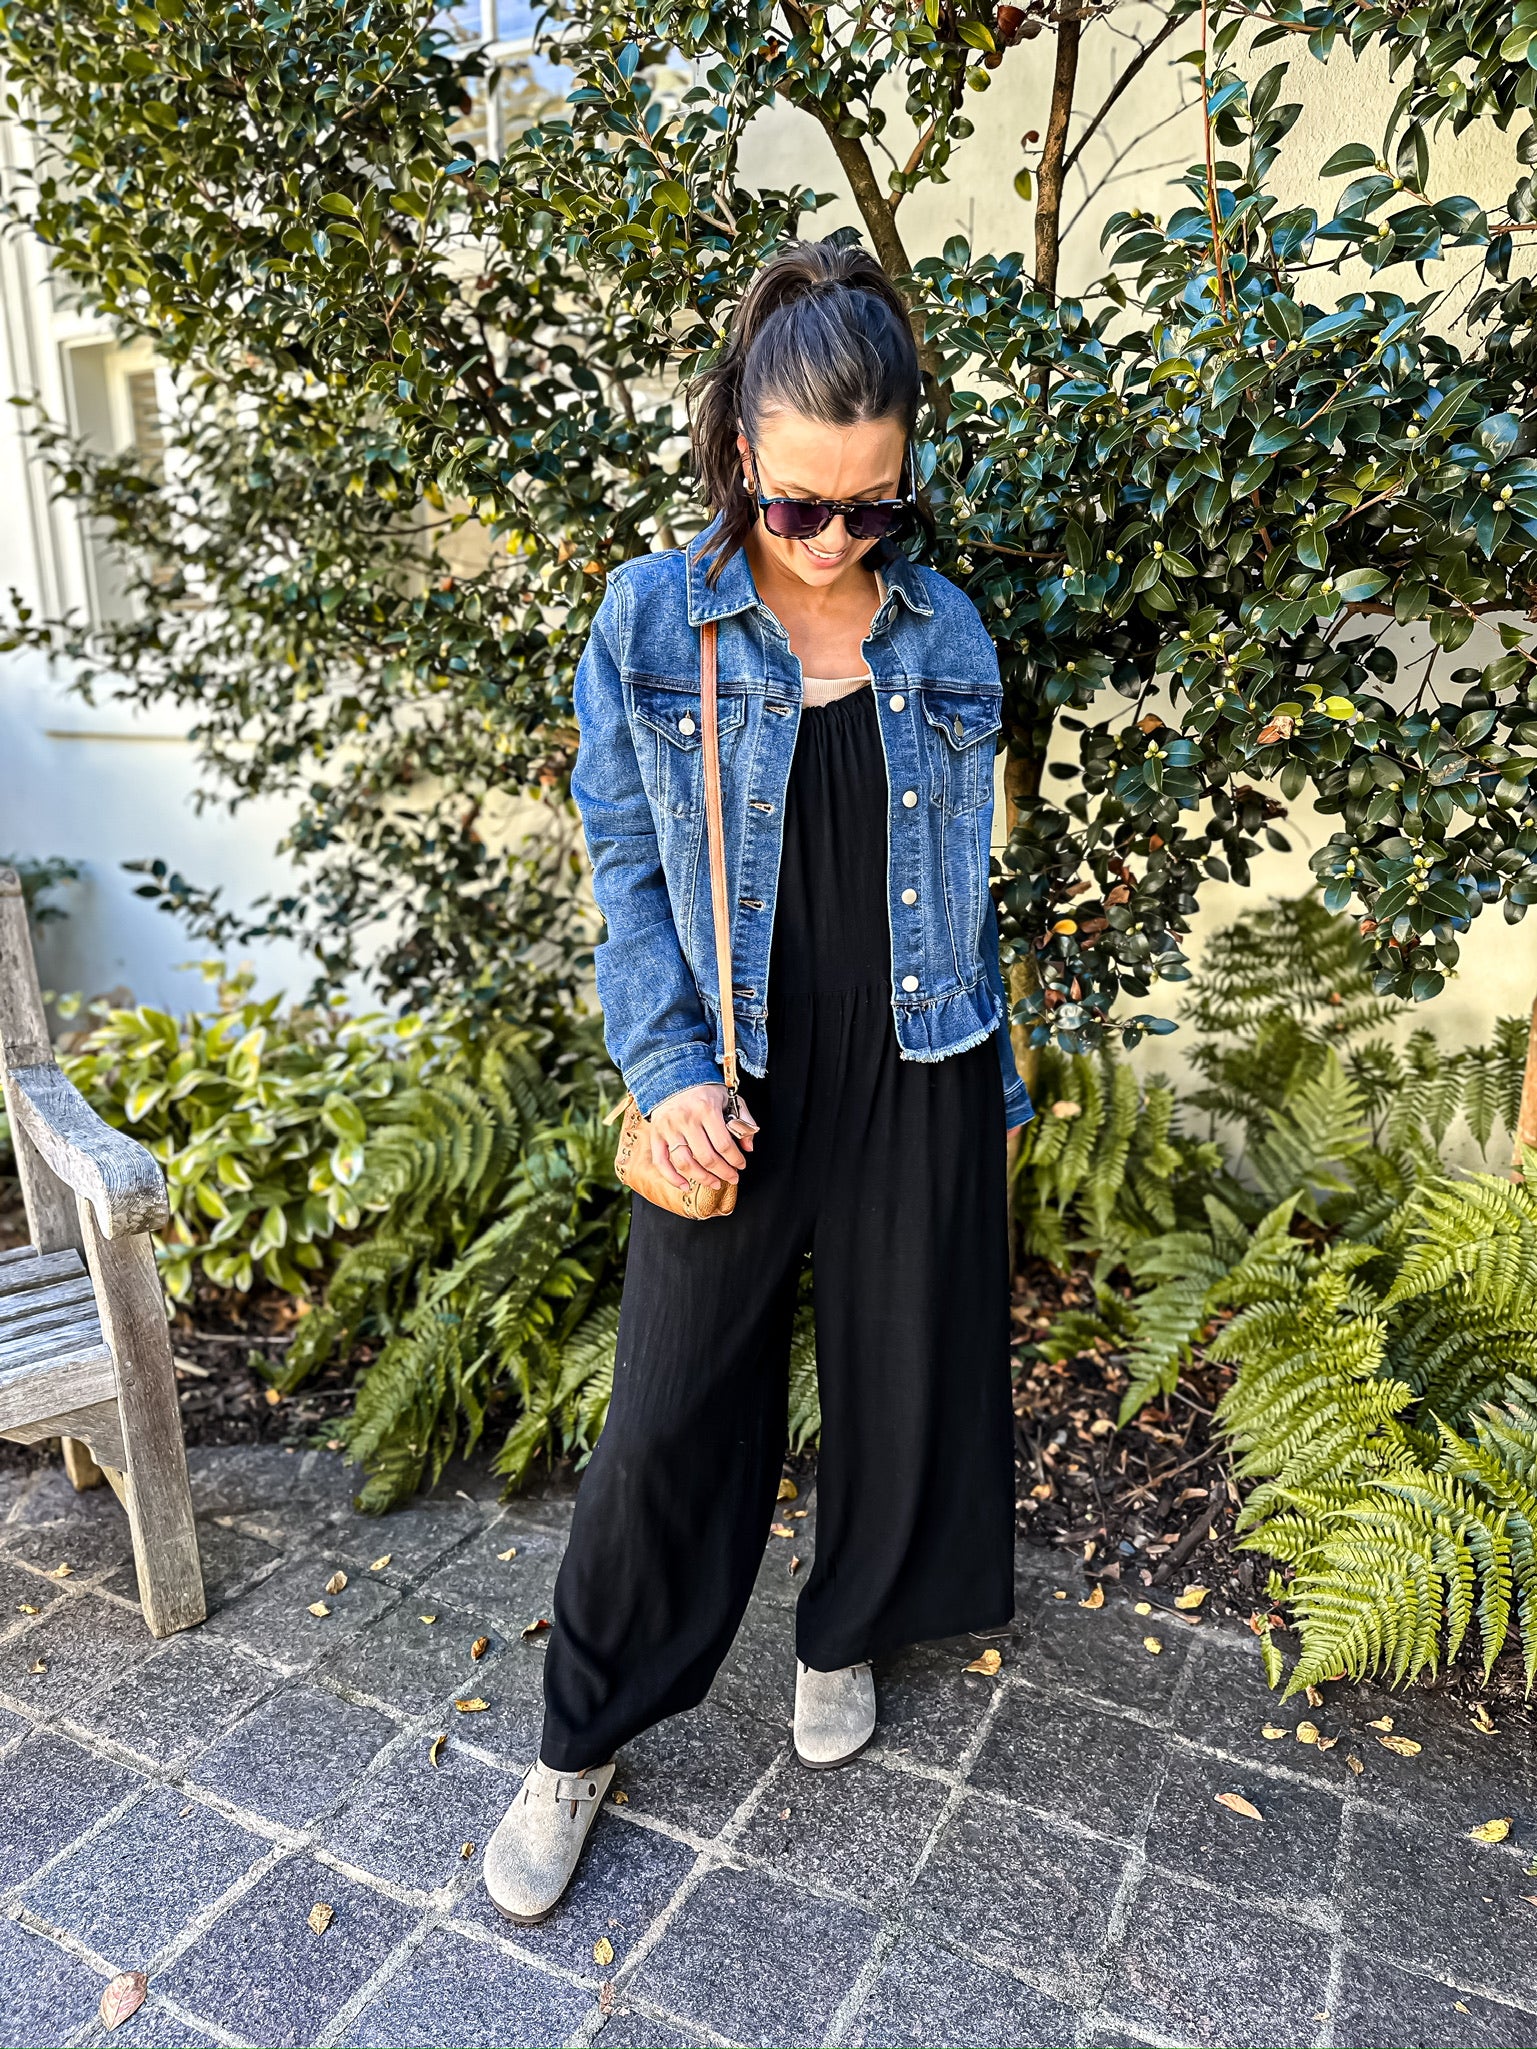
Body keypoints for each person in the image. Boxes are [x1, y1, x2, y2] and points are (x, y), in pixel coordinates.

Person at [483, 237, 1033, 1924]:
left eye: (872, 504)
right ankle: (580, 1738)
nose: (834, 538)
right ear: (739, 450)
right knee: (664, 1418)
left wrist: (993, 1088)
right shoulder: (653, 619)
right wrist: (663, 1070)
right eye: (799, 503)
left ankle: (841, 1629)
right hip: (734, 1070)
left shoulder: (945, 628)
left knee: (900, 1377)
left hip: (918, 1058)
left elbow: (958, 881)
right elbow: (626, 870)